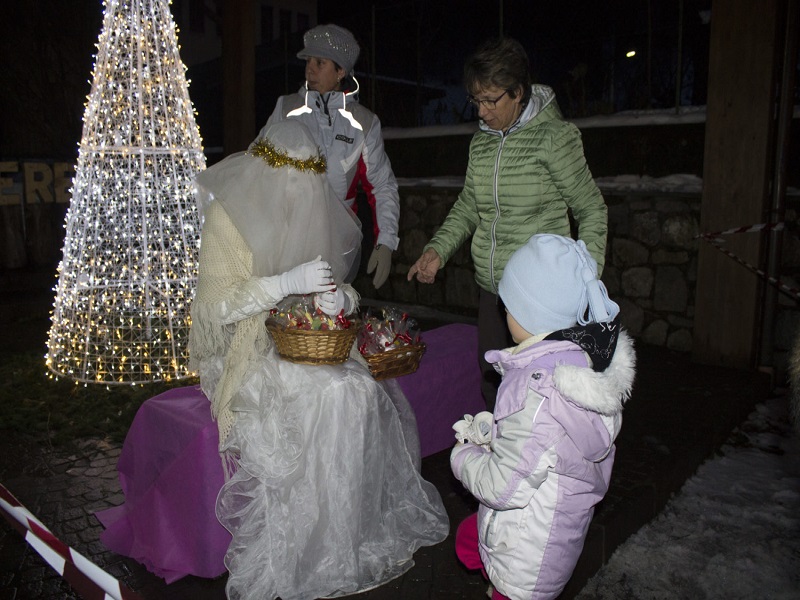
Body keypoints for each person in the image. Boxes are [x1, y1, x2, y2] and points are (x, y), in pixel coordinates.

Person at [189, 120, 448, 600]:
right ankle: (302, 543)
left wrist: (340, 302)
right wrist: (283, 285)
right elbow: (214, 310)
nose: (299, 197)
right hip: (245, 345)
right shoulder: (229, 217)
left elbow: (334, 281)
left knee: (356, 388)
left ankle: (343, 533)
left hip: (301, 339)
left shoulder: (310, 207)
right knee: (316, 395)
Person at [407, 36, 608, 411]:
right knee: (494, 386)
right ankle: (501, 462)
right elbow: (469, 205)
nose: (482, 112)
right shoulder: (482, 144)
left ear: (518, 92)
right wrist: (438, 249)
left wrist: (586, 279)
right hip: (493, 291)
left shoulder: (554, 138)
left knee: (540, 397)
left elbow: (591, 208)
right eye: (476, 100)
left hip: (541, 298)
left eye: (490, 100)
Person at [450, 234, 636, 600]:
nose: (503, 313)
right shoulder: (576, 366)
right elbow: (542, 444)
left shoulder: (538, 393)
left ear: (532, 316)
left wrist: (463, 455)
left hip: (525, 559)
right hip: (550, 540)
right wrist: (497, 432)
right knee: (467, 539)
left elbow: (502, 486)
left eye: (509, 306)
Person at [262, 23, 399, 290]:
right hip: (289, 241)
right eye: (308, 61)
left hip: (340, 243)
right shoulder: (286, 108)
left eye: (320, 62)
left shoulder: (364, 122)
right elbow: (257, 165)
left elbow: (382, 185)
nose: (309, 69)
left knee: (330, 321)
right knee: (288, 323)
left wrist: (386, 242)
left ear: (341, 71)